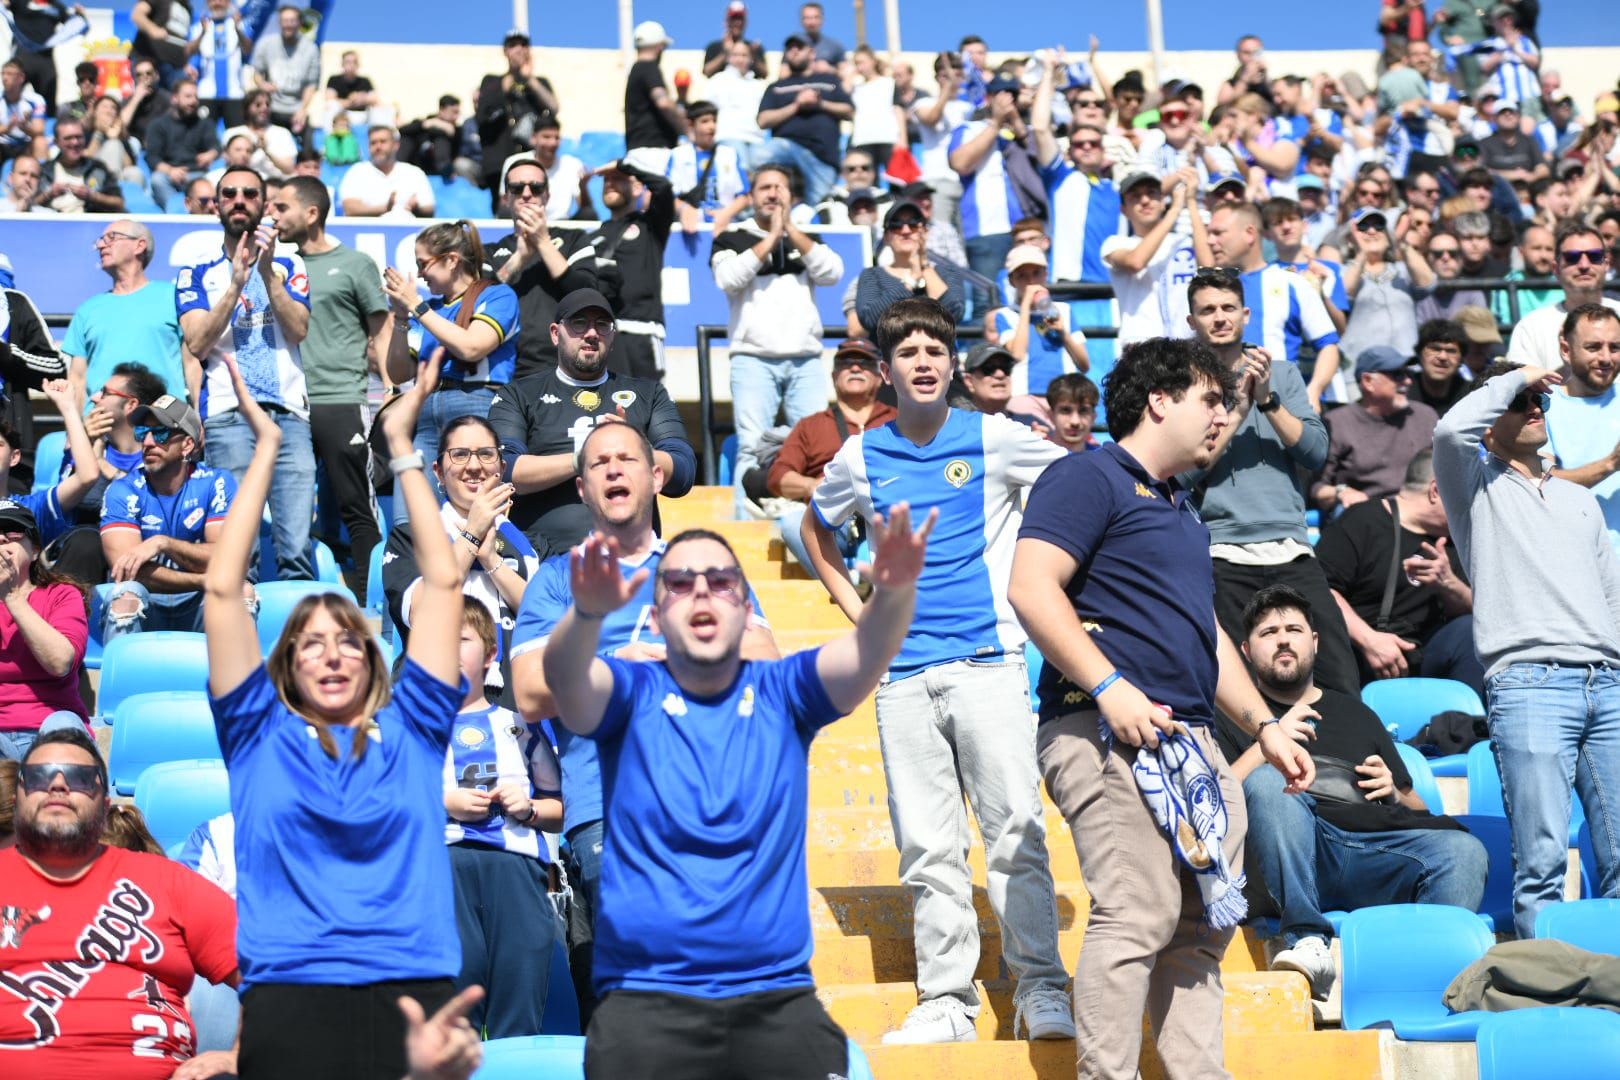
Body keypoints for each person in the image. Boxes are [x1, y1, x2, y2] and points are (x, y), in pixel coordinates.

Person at [1006, 336, 1316, 1080]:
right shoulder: (1088, 475)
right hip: (1106, 732)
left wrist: (1265, 728)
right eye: (1212, 399)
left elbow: (1204, 638)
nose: (1224, 415)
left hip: (1193, 743)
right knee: (1137, 915)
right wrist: (1111, 687)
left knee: (1198, 931)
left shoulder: (1181, 508)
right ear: (1159, 399)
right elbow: (1030, 587)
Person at [540, 499, 925, 1076]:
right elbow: (567, 681)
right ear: (653, 615)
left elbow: (868, 653)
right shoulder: (630, 694)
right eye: (678, 582)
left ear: (748, 609)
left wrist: (893, 595)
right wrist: (587, 616)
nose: (700, 592)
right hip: (646, 1005)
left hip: (775, 1003)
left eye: (721, 581)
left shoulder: (783, 693)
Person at [804, 298, 1074, 1045]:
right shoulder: (860, 455)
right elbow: (816, 529)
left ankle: (1041, 989)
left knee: (1016, 831)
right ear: (885, 370)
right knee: (928, 847)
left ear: (954, 362)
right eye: (909, 352)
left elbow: (1080, 494)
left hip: (989, 664)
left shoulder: (997, 438)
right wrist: (855, 611)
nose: (923, 361)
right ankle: (947, 1001)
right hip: (903, 678)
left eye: (935, 349)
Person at [203, 353, 467, 1078]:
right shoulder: (255, 736)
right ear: (286, 665)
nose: (330, 655)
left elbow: (444, 583)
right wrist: (267, 452)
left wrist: (404, 448)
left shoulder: (414, 731)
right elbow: (223, 594)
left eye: (349, 640)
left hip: (413, 993)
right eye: (310, 643)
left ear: (373, 659)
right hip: (292, 994)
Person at [507, 421, 775, 1025]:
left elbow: (764, 661)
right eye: (598, 463)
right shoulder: (556, 580)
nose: (613, 470)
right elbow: (527, 692)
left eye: (627, 458)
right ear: (581, 487)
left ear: (656, 476)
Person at [1221, 585, 1487, 999]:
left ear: (1314, 641)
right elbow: (1216, 803)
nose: (1283, 639)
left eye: (1293, 629)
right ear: (1245, 650)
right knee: (1268, 783)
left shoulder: (1356, 712)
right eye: (1268, 632)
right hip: (1281, 856)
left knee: (1464, 851)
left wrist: (1395, 793)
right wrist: (1267, 742)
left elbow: (1418, 808)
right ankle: (1308, 940)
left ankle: (1424, 980)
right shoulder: (1234, 715)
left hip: (1369, 853)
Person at [1433, 358, 1620, 938]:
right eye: (1520, 404)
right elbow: (1447, 431)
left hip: (1608, 684)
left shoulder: (1582, 502)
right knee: (1540, 864)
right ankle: (1546, 994)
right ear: (1492, 419)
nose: (1536, 408)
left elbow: (1612, 598)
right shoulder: (1475, 485)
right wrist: (1518, 378)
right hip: (1529, 683)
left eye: (1541, 401)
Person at [0, 728, 241, 1071]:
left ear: (106, 803)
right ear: (17, 798)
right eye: (38, 776)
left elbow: (274, 969)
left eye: (80, 778)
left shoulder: (166, 881)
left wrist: (238, 1055)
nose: (57, 785)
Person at [1180, 268, 1359, 697]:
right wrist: (1237, 412)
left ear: (1245, 314)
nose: (1219, 318)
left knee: (1338, 675)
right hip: (1223, 552)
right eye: (1207, 310)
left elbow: (1315, 452)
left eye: (1227, 308)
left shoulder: (1283, 374)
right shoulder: (1183, 385)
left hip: (1292, 547)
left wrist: (1266, 400)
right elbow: (1183, 473)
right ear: (1192, 322)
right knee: (1238, 686)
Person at [176, 165, 316, 581]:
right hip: (228, 415)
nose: (239, 200)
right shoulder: (197, 270)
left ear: (264, 204)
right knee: (239, 550)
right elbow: (198, 343)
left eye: (249, 194)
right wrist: (236, 284)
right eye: (230, 193)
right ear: (217, 204)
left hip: (288, 413)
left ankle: (299, 641)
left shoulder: (289, 261)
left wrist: (267, 272)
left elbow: (299, 330)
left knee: (296, 549)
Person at [487, 288, 694, 558]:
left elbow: (683, 471)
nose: (592, 333)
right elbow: (502, 470)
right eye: (579, 323)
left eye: (602, 325)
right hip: (541, 560)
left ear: (613, 336)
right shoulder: (518, 394)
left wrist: (633, 449)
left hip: (630, 561)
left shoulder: (649, 393)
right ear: (554, 333)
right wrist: (584, 458)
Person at [271, 175, 399, 588]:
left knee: (355, 504)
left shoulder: (356, 264)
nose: (272, 215)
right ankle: (302, 597)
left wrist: (388, 383)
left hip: (340, 397)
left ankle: (371, 602)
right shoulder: (277, 267)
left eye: (281, 207)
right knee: (293, 511)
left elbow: (381, 329)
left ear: (311, 213)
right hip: (288, 403)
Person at [442, 599, 562, 1038]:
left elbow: (557, 808)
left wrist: (528, 808)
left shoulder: (520, 725)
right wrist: (443, 803)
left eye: (461, 639)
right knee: (453, 1021)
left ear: (490, 655)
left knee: (518, 1013)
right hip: (442, 871)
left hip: (515, 872)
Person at [711, 163, 844, 507]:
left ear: (791, 195)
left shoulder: (806, 237)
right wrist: (771, 237)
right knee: (750, 448)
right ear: (751, 197)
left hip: (806, 360)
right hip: (753, 359)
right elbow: (727, 279)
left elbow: (833, 272)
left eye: (779, 188)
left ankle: (821, 532)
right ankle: (744, 533)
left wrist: (791, 231)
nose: (772, 193)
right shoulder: (732, 237)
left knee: (820, 450)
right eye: (764, 188)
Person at [382, 413, 540, 701]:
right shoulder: (410, 538)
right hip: (435, 698)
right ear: (439, 472)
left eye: (485, 454)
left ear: (502, 468)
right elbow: (423, 611)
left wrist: (492, 561)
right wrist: (472, 532)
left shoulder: (527, 541)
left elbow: (543, 615)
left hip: (517, 699)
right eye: (460, 455)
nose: (474, 466)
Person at [1317, 448, 1483, 694]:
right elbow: (1320, 589)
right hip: (1359, 656)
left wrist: (1449, 584)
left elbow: (1481, 614)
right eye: (1466, 497)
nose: (1471, 509)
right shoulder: (1363, 520)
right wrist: (1369, 641)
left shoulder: (1454, 541)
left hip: (1425, 655)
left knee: (1471, 632)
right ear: (1436, 491)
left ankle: (1465, 727)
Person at [381, 220, 518, 489]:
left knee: (470, 508)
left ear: (452, 260)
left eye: (423, 263)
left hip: (475, 404)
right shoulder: (430, 309)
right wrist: (400, 316)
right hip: (425, 412)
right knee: (408, 516)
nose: (420, 274)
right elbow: (399, 373)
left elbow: (472, 347)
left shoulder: (498, 295)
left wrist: (417, 307)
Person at [98, 393, 235, 640]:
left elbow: (227, 559)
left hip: (199, 604)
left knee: (241, 594)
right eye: (142, 432)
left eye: (161, 433)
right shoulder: (122, 489)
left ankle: (235, 679)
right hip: (149, 598)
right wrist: (203, 580)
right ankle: (124, 679)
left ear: (187, 445)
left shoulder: (217, 482)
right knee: (125, 600)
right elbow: (128, 571)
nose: (148, 442)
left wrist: (163, 543)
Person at [1203, 201, 1345, 411]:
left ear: (1250, 233)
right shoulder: (1209, 290)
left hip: (1283, 411)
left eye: (1218, 233)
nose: (1210, 240)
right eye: (1209, 233)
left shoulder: (1292, 282)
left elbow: (1328, 345)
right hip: (1224, 415)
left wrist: (1314, 390)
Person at [768, 338, 895, 568]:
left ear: (880, 377)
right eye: (846, 363)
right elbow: (778, 477)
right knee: (792, 525)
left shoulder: (899, 419)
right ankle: (847, 585)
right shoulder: (811, 425)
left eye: (865, 364)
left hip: (889, 515)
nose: (855, 368)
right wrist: (811, 486)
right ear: (834, 376)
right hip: (836, 521)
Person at [487, 156, 600, 378]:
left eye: (536, 187)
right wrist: (519, 257)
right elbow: (478, 300)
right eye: (517, 188)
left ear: (547, 195)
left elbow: (587, 294)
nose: (527, 194)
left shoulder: (574, 239)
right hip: (503, 368)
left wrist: (542, 243)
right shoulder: (490, 251)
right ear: (505, 198)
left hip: (562, 367)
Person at [0, 501, 90, 761]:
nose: (2, 538)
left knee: (63, 727)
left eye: (14, 533)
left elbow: (60, 662)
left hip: (50, 726)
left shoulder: (61, 596)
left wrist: (12, 597)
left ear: (35, 550)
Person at [62, 219, 186, 407]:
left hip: (161, 421)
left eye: (111, 237)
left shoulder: (173, 297)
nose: (101, 245)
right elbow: (77, 379)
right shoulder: (87, 310)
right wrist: (78, 429)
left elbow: (192, 363)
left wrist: (198, 419)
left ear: (139, 245)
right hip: (100, 425)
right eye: (101, 240)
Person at [575, 158, 676, 380]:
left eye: (618, 179)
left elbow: (664, 188)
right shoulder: (590, 238)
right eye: (606, 180)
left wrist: (624, 165)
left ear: (638, 186)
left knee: (646, 409)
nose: (610, 183)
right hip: (601, 335)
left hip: (641, 333)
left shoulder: (651, 226)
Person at [1313, 347, 1439, 514]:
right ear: (1367, 381)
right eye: (1398, 375)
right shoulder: (1337, 423)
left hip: (1421, 510)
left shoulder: (1426, 416)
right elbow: (1316, 488)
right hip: (1368, 512)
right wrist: (1342, 491)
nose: (1408, 381)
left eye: (1408, 374)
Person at [948, 74, 1042, 285]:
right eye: (1002, 95)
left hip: (1026, 230)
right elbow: (960, 163)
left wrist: (1016, 122)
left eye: (1013, 95)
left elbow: (1043, 162)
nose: (1008, 100)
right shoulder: (970, 129)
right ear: (989, 97)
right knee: (989, 299)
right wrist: (996, 123)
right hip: (987, 231)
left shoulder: (1026, 132)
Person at [1546, 305, 1620, 553]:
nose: (1606, 358)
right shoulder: (1540, 409)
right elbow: (1539, 483)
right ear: (1566, 350)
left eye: (1615, 347)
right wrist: (1611, 464)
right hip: (1577, 561)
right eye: (1593, 347)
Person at [1337, 207, 1435, 386]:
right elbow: (1342, 297)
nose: (1372, 231)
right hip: (1362, 375)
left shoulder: (1402, 270)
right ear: (1349, 237)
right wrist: (1362, 254)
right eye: (1363, 227)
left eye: (1379, 226)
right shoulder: (1341, 271)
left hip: (1406, 370)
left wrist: (1401, 243)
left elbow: (1428, 283)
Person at [1103, 168, 1199, 348]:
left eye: (1151, 193)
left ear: (1163, 201)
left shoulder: (1184, 242)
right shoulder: (1115, 243)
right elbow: (1136, 262)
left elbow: (1210, 266)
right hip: (1141, 347)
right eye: (1135, 196)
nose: (1145, 200)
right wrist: (1174, 211)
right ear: (1124, 209)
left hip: (1188, 345)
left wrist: (1191, 200)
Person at [756, 33, 853, 207]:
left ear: (811, 53)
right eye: (790, 48)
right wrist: (797, 105)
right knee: (759, 157)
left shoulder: (830, 81)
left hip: (822, 157)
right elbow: (763, 120)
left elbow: (849, 111)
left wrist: (819, 103)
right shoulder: (776, 86)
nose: (794, 51)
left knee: (819, 208)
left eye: (799, 47)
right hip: (786, 147)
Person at [1506, 221, 1620, 367]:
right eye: (1572, 257)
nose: (1584, 265)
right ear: (1556, 268)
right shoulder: (1531, 327)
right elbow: (1521, 386)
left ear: (1606, 264)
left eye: (1594, 256)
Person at [475, 31, 559, 214]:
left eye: (523, 45)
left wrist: (529, 79)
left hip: (534, 160)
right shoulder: (491, 80)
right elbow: (483, 113)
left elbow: (553, 108)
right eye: (513, 45)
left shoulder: (539, 82)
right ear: (505, 51)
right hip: (500, 161)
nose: (519, 50)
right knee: (504, 211)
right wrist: (514, 74)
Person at [991, 245, 1089, 400]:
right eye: (1022, 276)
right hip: (1024, 396)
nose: (1031, 281)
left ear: (1046, 274)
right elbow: (1017, 354)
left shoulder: (1064, 310)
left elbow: (1084, 365)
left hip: (1065, 395)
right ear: (1011, 281)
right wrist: (1025, 307)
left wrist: (1063, 332)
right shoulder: (1005, 315)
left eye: (1036, 273)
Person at [855, 200, 966, 334]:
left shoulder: (948, 272)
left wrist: (923, 266)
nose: (906, 230)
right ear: (886, 237)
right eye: (896, 225)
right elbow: (870, 319)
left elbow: (954, 315)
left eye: (913, 224)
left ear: (925, 231)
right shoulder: (873, 275)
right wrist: (912, 279)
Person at [666, 100, 749, 226]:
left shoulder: (729, 154)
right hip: (690, 227)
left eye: (714, 121)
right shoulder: (678, 155)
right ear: (690, 125)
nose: (712, 126)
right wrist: (685, 210)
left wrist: (725, 214)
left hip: (724, 227)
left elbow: (744, 196)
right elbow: (668, 194)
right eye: (705, 121)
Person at [143, 77, 221, 208]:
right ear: (174, 98)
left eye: (195, 97)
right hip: (169, 175)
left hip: (198, 174)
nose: (193, 101)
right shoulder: (158, 125)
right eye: (188, 96)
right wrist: (170, 171)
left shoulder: (205, 123)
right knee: (157, 180)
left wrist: (210, 155)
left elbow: (215, 147)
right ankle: (177, 211)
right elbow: (152, 157)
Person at [250, 4, 319, 140]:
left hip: (296, 109)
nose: (288, 25)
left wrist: (303, 109)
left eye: (292, 21)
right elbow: (257, 72)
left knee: (307, 147)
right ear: (279, 22)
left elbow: (311, 85)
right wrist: (262, 85)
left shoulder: (311, 49)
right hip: (271, 108)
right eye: (285, 21)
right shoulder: (266, 44)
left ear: (299, 23)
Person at [339, 126, 435, 219]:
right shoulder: (357, 172)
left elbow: (429, 208)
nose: (378, 147)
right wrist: (385, 208)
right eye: (373, 143)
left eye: (383, 141)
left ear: (396, 145)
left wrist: (416, 208)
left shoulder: (414, 173)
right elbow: (349, 209)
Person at [38, 115, 122, 214]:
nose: (75, 142)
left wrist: (91, 196)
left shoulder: (97, 168)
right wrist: (49, 194)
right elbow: (28, 204)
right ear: (56, 142)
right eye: (68, 138)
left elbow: (119, 203)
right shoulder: (44, 171)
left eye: (79, 137)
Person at [624, 20, 684, 157]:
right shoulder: (649, 68)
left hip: (640, 149)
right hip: (654, 151)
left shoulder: (636, 70)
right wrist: (686, 129)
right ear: (659, 46)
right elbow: (663, 103)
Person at [189, 0, 252, 128]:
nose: (217, 3)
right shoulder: (199, 26)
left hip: (234, 94)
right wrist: (202, 32)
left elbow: (247, 50)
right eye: (212, 1)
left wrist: (237, 29)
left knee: (236, 135)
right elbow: (189, 51)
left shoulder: (239, 24)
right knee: (205, 135)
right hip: (206, 93)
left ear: (229, 3)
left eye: (221, 0)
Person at [708, 37, 767, 167]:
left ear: (751, 59)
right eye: (735, 55)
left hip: (757, 140)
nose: (740, 59)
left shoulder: (759, 85)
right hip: (729, 136)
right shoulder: (717, 81)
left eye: (744, 55)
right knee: (742, 172)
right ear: (728, 57)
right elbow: (708, 111)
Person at [222, 89, 296, 180]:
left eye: (267, 104)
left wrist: (266, 150)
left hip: (275, 184)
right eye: (258, 105)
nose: (264, 108)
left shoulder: (282, 133)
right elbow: (228, 165)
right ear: (247, 108)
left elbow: (289, 169)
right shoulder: (232, 133)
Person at [1408, 319, 1471, 416]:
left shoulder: (1471, 396)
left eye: (1451, 351)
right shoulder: (1403, 391)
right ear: (1419, 353)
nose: (1443, 357)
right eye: (1435, 349)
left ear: (1461, 358)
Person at [702, 1, 767, 79]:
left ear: (745, 22)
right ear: (727, 21)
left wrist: (753, 55)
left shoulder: (754, 48)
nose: (737, 22)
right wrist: (725, 53)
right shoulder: (714, 47)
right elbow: (706, 72)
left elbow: (765, 73)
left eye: (740, 19)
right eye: (733, 19)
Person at [0, 59, 46, 166]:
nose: (4, 78)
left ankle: (43, 177)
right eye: (3, 74)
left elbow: (39, 130)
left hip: (26, 144)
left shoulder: (35, 100)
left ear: (21, 78)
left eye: (10, 74)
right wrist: (8, 128)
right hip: (3, 144)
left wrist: (24, 127)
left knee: (40, 141)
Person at [1045, 372, 1102, 453]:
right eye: (1065, 410)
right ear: (1051, 415)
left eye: (1083, 411)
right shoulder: (1034, 456)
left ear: (1094, 417)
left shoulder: (1103, 460)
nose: (1075, 422)